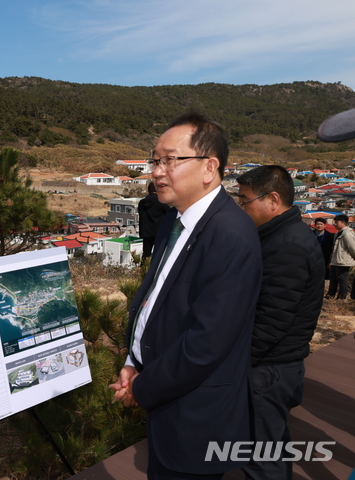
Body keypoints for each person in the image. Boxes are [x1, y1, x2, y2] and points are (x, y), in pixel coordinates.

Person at [110, 112, 262, 479]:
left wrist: (142, 388)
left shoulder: (230, 236)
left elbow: (205, 343)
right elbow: (156, 300)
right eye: (155, 160)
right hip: (167, 401)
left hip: (197, 418)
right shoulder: (172, 222)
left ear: (209, 167)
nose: (157, 171)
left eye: (170, 160)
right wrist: (133, 360)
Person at [236, 165, 324, 480]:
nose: (242, 207)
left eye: (245, 200)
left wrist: (237, 364)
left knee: (262, 458)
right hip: (274, 365)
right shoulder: (282, 236)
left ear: (273, 199)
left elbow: (271, 322)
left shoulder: (287, 247)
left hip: (268, 369)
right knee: (270, 447)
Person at [325, 214, 355, 299]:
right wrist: (331, 261)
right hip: (336, 260)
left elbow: (353, 247)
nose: (335, 224)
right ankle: (330, 295)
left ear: (343, 223)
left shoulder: (347, 234)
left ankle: (342, 297)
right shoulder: (338, 233)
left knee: (342, 280)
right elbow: (334, 249)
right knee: (333, 279)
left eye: (337, 222)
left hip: (343, 261)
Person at [138, 181, 171, 258]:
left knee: (146, 254)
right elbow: (169, 214)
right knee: (159, 255)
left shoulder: (142, 203)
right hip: (159, 232)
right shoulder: (161, 202)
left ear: (148, 190)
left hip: (146, 232)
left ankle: (144, 269)